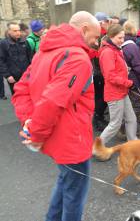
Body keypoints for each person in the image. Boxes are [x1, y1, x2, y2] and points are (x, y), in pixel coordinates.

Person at [11, 11, 100, 221]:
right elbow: (53, 101)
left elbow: (21, 90)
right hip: (72, 141)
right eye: (95, 37)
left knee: (65, 180)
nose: (96, 43)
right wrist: (35, 133)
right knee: (74, 195)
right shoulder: (77, 58)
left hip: (56, 137)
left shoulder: (44, 52)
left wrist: (30, 123)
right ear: (84, 29)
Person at [98, 24, 137, 145]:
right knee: (115, 124)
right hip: (114, 94)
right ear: (111, 36)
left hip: (122, 91)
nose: (122, 40)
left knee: (131, 119)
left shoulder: (115, 49)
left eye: (123, 37)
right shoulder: (108, 52)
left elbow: (116, 71)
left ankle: (133, 144)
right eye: (119, 38)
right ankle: (97, 148)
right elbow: (110, 76)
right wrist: (129, 83)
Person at [122, 21, 140, 124]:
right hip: (134, 81)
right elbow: (139, 68)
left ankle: (125, 126)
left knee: (128, 105)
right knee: (137, 105)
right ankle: (127, 127)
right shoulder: (132, 46)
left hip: (125, 79)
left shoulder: (121, 43)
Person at [0, 22, 31, 94]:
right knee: (17, 97)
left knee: (28, 95)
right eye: (15, 31)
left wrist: (31, 71)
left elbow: (30, 58)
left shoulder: (25, 42)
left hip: (26, 76)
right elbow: (1, 61)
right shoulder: (3, 44)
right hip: (13, 78)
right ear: (9, 32)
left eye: (19, 30)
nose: (18, 33)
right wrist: (8, 76)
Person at [92, 12, 110, 131]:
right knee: (100, 97)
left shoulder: (100, 34)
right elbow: (97, 55)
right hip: (98, 72)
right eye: (106, 21)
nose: (108, 24)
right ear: (101, 22)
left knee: (102, 97)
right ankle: (97, 120)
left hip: (99, 71)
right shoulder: (98, 35)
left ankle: (100, 117)